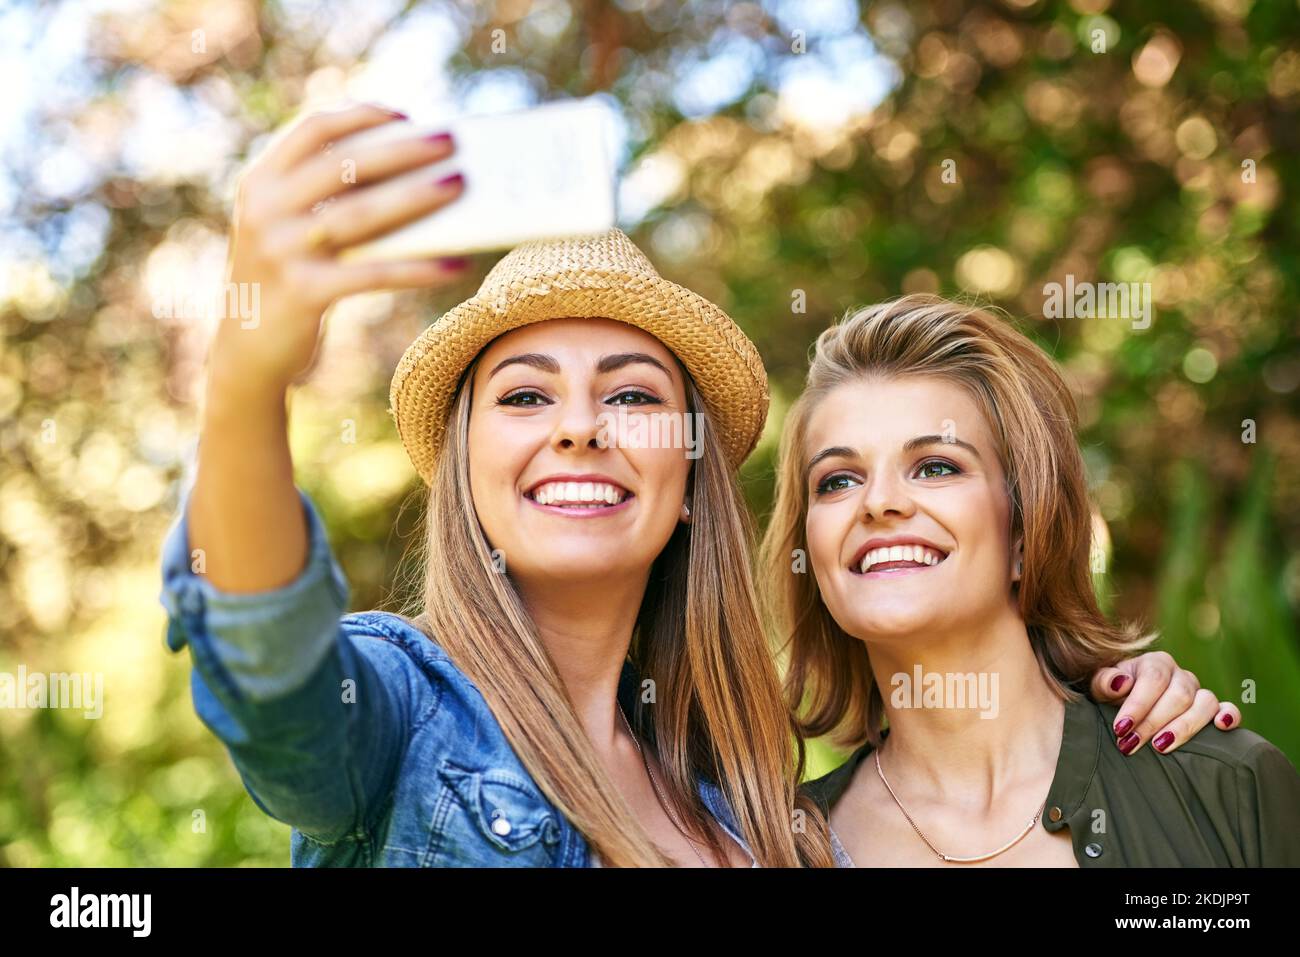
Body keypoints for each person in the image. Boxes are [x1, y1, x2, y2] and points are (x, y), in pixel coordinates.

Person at [160, 104, 1242, 867]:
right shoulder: (399, 720)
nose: (580, 427)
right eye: (526, 399)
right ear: (462, 473)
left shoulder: (766, 819)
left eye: (630, 397)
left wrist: (1108, 714)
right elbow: (268, 664)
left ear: (686, 483)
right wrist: (250, 376)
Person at [762, 294, 1299, 866]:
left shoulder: (1224, 790)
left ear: (1024, 529)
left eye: (937, 467)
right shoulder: (778, 849)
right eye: (838, 480)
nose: (879, 502)